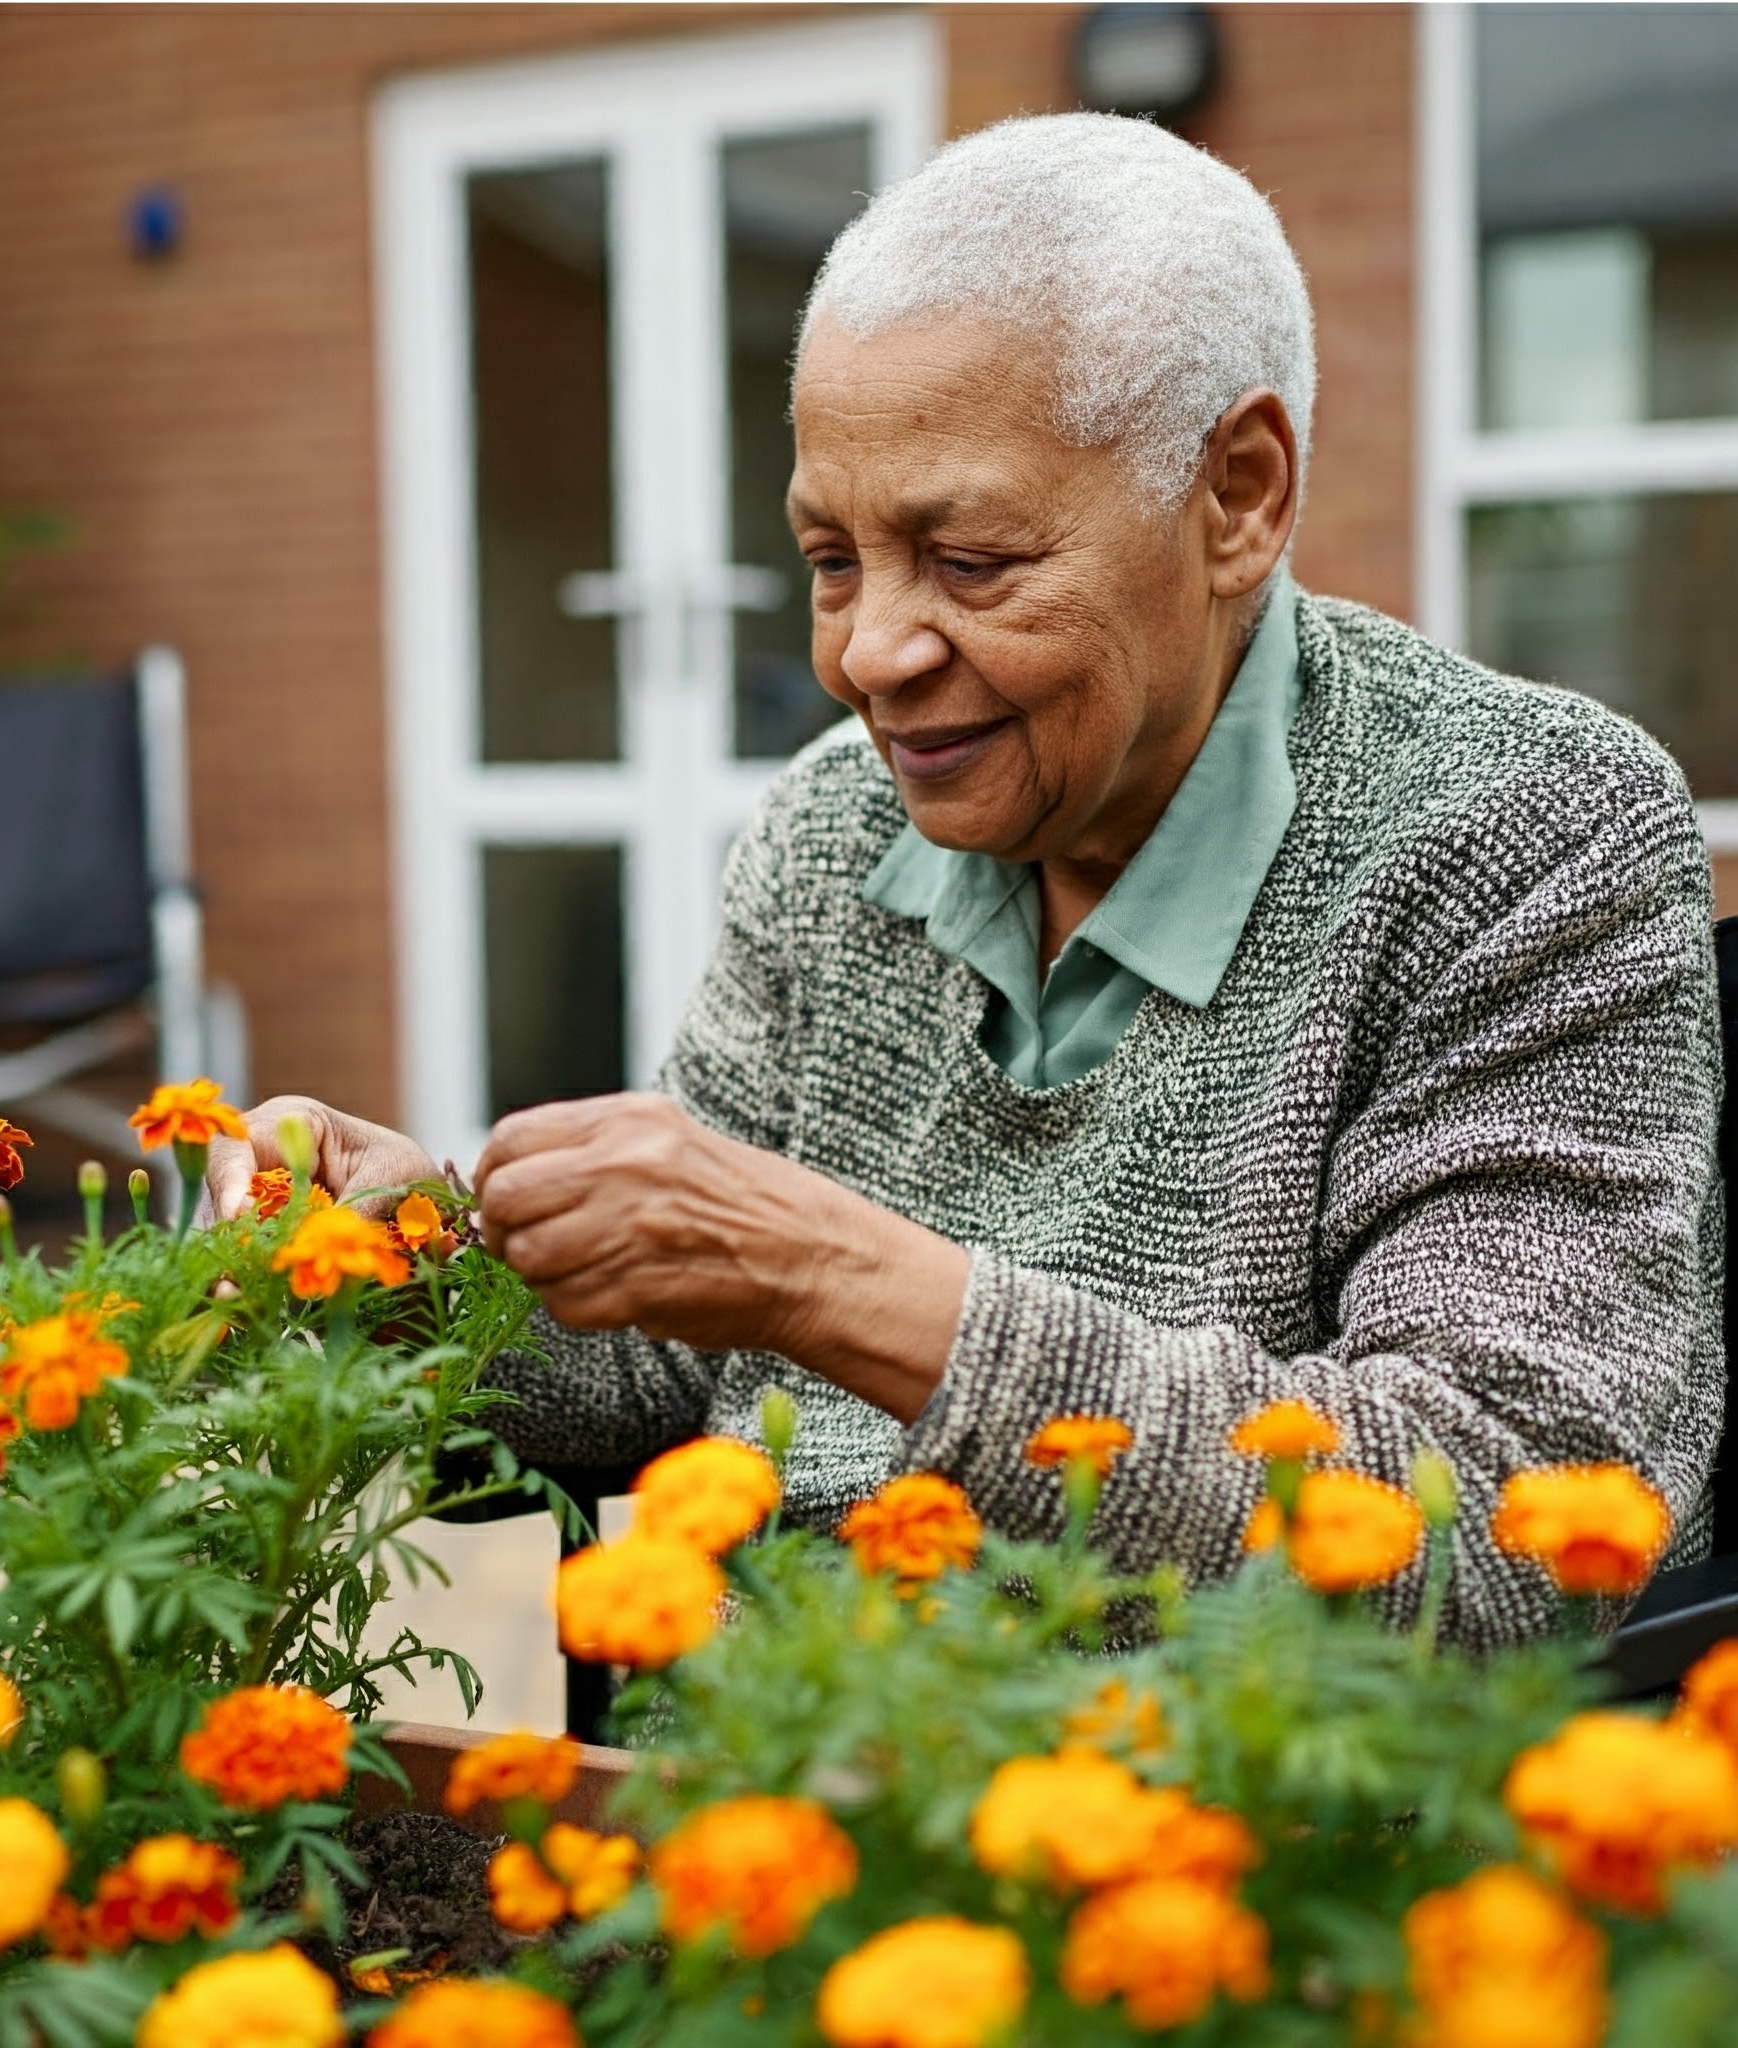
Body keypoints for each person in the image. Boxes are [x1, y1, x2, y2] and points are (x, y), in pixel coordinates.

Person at [207, 115, 1722, 1648]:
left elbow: (1516, 1512)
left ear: (1239, 496)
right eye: (831, 559)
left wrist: (837, 1278)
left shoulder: (1525, 833)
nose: (868, 656)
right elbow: (676, 1365)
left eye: (974, 559)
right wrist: (409, 1271)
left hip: (1216, 1834)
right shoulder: (831, 831)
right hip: (757, 1772)